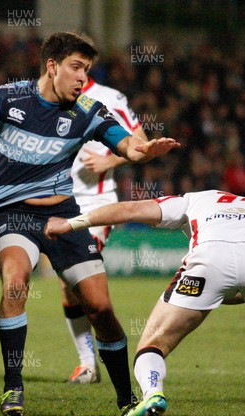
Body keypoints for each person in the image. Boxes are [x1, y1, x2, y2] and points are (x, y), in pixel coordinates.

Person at [0, 32, 180, 416]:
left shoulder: (87, 110)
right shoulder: (5, 99)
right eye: (76, 68)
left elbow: (126, 144)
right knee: (16, 282)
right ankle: (13, 386)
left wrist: (142, 151)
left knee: (99, 307)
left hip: (63, 216)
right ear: (52, 66)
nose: (82, 78)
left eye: (87, 70)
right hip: (12, 214)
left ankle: (126, 399)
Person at [44, 190, 245, 416]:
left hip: (208, 261)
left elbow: (128, 210)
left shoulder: (190, 200)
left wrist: (69, 224)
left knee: (153, 343)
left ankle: (153, 392)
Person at [63, 76, 147, 384]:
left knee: (83, 280)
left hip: (96, 203)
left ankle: (102, 362)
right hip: (56, 202)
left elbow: (141, 142)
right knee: (69, 286)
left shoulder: (109, 96)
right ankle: (88, 363)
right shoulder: (46, 96)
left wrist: (109, 159)